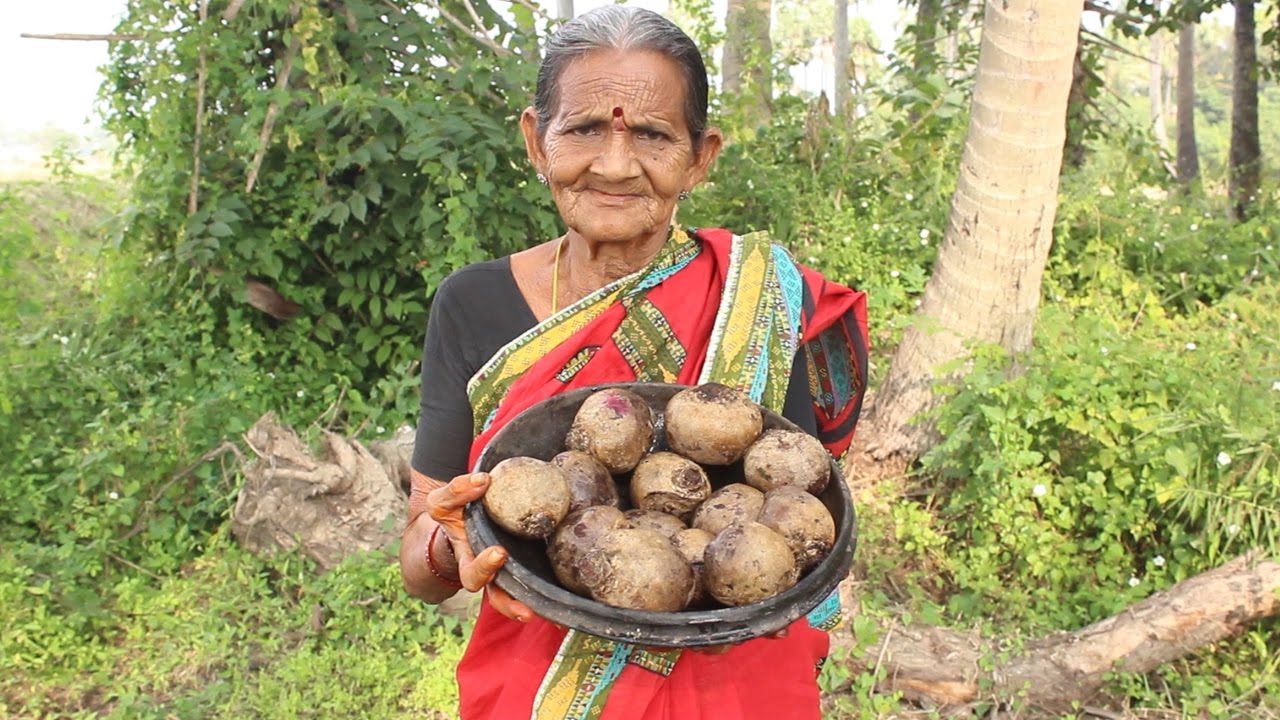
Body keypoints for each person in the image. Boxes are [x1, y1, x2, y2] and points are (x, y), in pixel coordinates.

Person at [399, 6, 869, 719]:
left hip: (740, 686)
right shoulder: (472, 304)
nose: (615, 165)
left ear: (701, 155)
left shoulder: (760, 299)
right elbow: (422, 559)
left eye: (651, 134)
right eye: (584, 128)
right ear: (536, 140)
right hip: (542, 683)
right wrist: (448, 549)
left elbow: (801, 502)